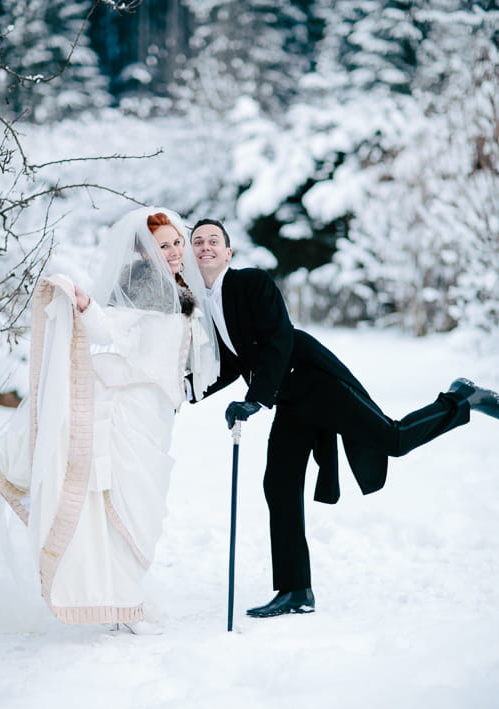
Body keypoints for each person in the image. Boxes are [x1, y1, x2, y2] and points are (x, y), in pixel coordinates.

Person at [190, 218, 499, 619]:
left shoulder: (252, 283)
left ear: (228, 252)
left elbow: (280, 340)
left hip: (317, 382)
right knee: (279, 485)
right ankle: (296, 590)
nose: (205, 246)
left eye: (214, 240)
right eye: (198, 242)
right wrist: (186, 393)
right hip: (290, 400)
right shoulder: (208, 305)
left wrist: (256, 400)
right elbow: (231, 362)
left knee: (393, 439)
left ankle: (462, 398)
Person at [0, 207, 219, 632]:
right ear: (145, 250)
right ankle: (123, 600)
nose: (176, 251)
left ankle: (128, 593)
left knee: (147, 505)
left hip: (158, 411)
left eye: (178, 242)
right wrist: (84, 304)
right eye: (165, 245)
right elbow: (111, 328)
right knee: (124, 503)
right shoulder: (140, 283)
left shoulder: (183, 286)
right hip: (129, 405)